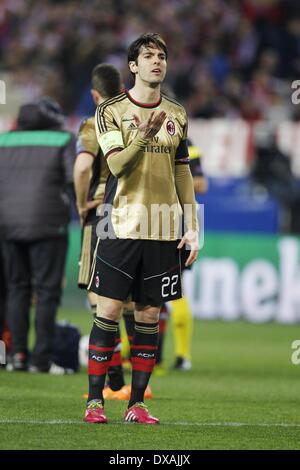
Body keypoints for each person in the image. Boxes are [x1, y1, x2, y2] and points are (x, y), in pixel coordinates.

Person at [84, 33, 199, 425]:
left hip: (164, 230)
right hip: (120, 225)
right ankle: (95, 402)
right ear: (133, 66)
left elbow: (182, 171)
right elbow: (116, 166)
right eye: (148, 56)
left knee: (149, 317)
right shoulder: (111, 111)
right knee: (110, 310)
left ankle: (137, 404)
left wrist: (193, 226)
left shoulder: (178, 113)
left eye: (162, 56)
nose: (157, 61)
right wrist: (143, 137)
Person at [74, 63, 151, 400]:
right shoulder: (132, 119)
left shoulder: (93, 123)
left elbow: (82, 167)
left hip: (101, 212)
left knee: (100, 298)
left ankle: (113, 382)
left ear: (95, 94)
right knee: (135, 302)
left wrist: (80, 204)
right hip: (135, 214)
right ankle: (139, 386)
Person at [0, 97, 76, 372]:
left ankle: (17, 355)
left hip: (7, 225)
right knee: (46, 291)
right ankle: (41, 359)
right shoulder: (63, 139)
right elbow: (74, 179)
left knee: (16, 289)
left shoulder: (4, 141)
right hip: (48, 223)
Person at [154, 139, 208, 374]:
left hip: (178, 224)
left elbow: (201, 184)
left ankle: (183, 355)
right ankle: (133, 352)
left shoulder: (188, 147)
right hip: (152, 219)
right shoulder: (149, 140)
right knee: (141, 293)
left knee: (175, 288)